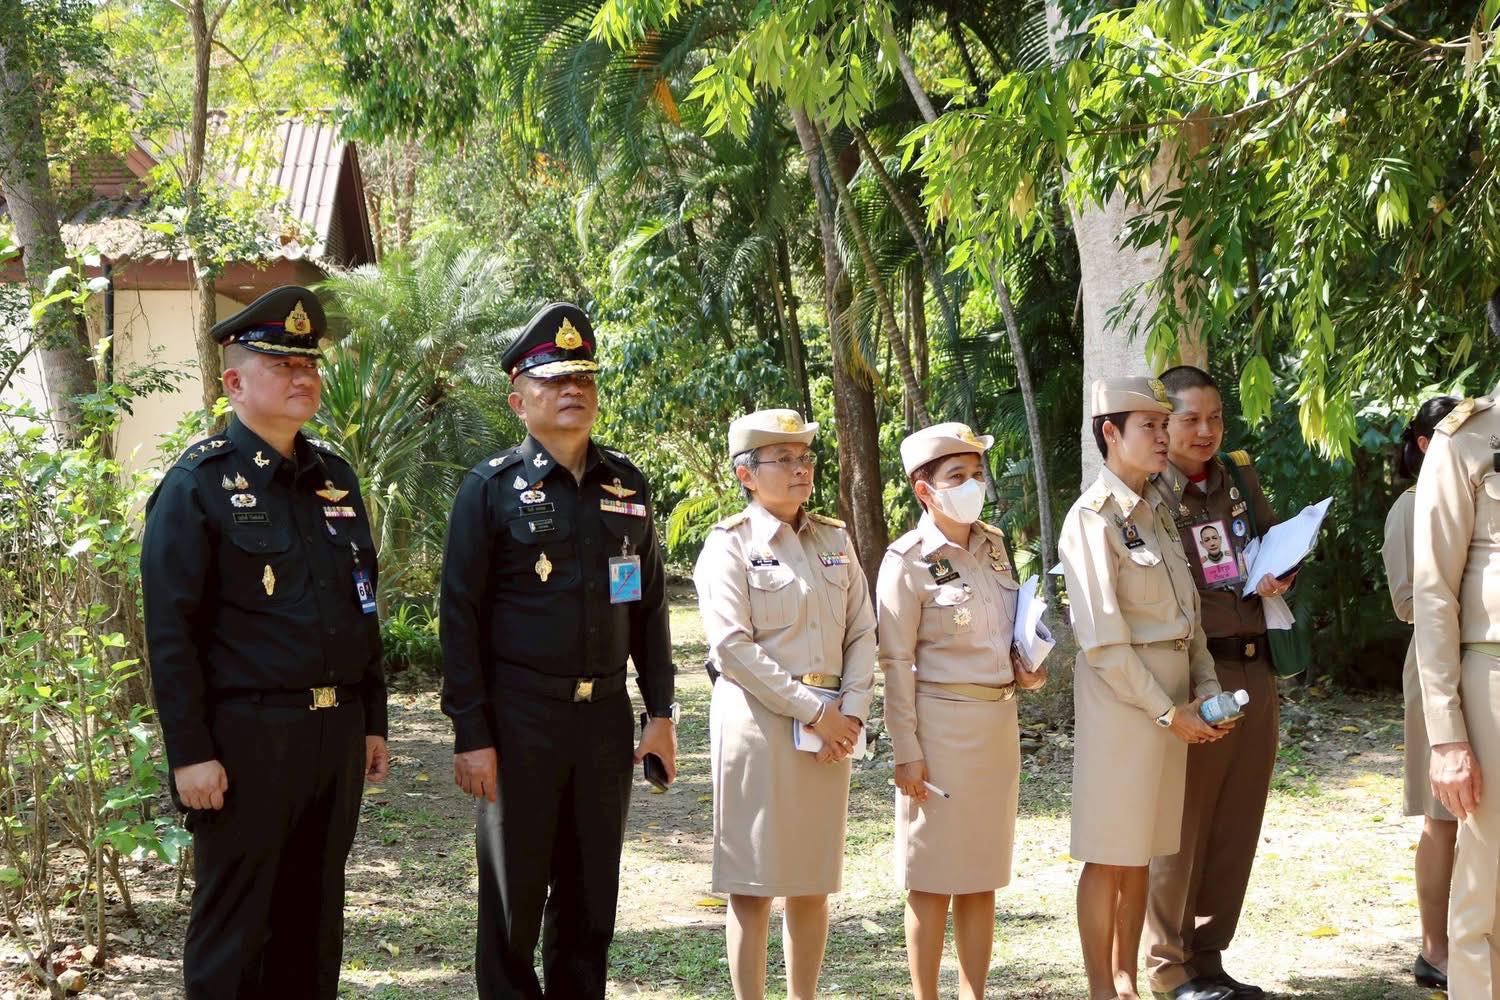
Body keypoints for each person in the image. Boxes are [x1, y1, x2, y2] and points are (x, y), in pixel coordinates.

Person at [141, 286, 388, 998]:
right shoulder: (198, 485)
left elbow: (361, 606)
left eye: (308, 364)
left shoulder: (335, 479)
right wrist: (190, 752)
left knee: (314, 923)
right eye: (282, 365)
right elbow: (171, 633)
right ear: (235, 383)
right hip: (247, 738)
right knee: (235, 928)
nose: (302, 376)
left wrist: (372, 720)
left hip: (333, 734)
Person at [438, 302, 678, 999]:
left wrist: (660, 711)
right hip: (521, 720)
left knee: (590, 899)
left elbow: (649, 606)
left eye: (584, 378)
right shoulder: (489, 490)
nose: (573, 389)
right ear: (519, 400)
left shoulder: (626, 485)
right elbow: (460, 618)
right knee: (513, 903)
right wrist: (471, 732)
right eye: (553, 379)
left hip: (602, 719)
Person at [1058, 377, 1232, 1000]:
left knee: (1141, 852)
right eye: (1150, 426)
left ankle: (1126, 980)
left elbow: (1188, 617)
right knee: (1109, 851)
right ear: (1111, 432)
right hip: (1126, 703)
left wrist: (1206, 688)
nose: (1164, 437)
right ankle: (1101, 989)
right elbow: (1104, 643)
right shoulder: (1091, 519)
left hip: (1173, 697)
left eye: (1165, 425)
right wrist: (1167, 711)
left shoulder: (1156, 508)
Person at [693, 409, 876, 1000]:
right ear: (746, 474)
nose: (801, 469)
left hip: (831, 726)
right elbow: (732, 647)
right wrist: (815, 711)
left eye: (805, 458)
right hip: (760, 725)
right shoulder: (730, 545)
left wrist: (851, 712)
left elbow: (862, 630)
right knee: (753, 885)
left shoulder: (835, 539)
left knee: (812, 882)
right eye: (784, 459)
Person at [875, 422, 1047, 1000]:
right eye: (957, 476)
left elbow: (1007, 628)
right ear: (925, 490)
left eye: (976, 472)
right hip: (940, 732)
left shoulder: (992, 544)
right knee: (931, 878)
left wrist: (1027, 666)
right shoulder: (906, 562)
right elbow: (896, 663)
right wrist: (906, 750)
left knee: (981, 876)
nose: (973, 484)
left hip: (997, 725)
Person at [1143, 365, 1292, 1000]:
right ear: (1163, 424)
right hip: (1194, 675)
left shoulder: (1238, 477)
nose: (1206, 431)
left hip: (1255, 665)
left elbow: (1272, 542)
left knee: (1236, 819)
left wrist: (1283, 572)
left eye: (1215, 418)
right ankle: (1168, 965)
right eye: (1190, 419)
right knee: (1185, 824)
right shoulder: (1148, 492)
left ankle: (1208, 958)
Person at [1414, 290, 1500, 1000]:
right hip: (1494, 680)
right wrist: (1447, 736)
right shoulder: (1467, 438)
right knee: (1488, 886)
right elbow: (1434, 592)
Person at [1384, 395, 1460, 991]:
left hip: (1482, 664)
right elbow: (1407, 602)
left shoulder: (1471, 499)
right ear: (1427, 443)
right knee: (1443, 815)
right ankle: (1435, 949)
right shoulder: (1410, 506)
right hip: (1436, 664)